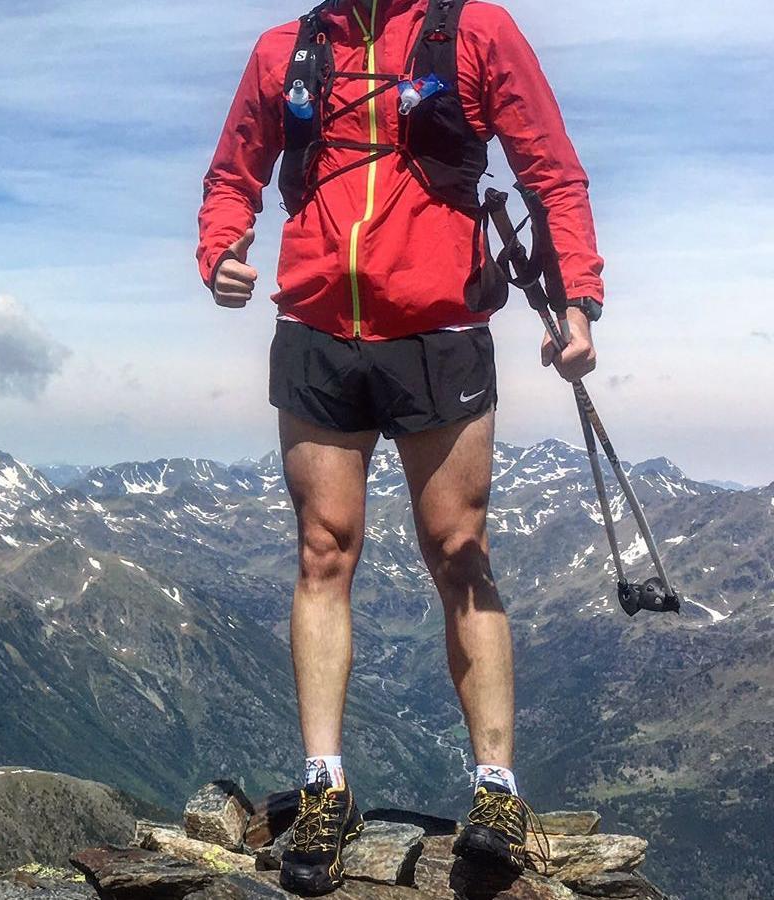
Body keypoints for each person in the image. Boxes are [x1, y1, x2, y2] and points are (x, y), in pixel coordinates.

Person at [196, 0, 602, 894]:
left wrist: (576, 300)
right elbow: (235, 173)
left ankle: (496, 791)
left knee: (459, 551)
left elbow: (552, 175)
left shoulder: (477, 32)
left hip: (442, 326)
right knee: (322, 552)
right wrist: (221, 247)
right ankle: (324, 787)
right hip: (314, 329)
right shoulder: (286, 49)